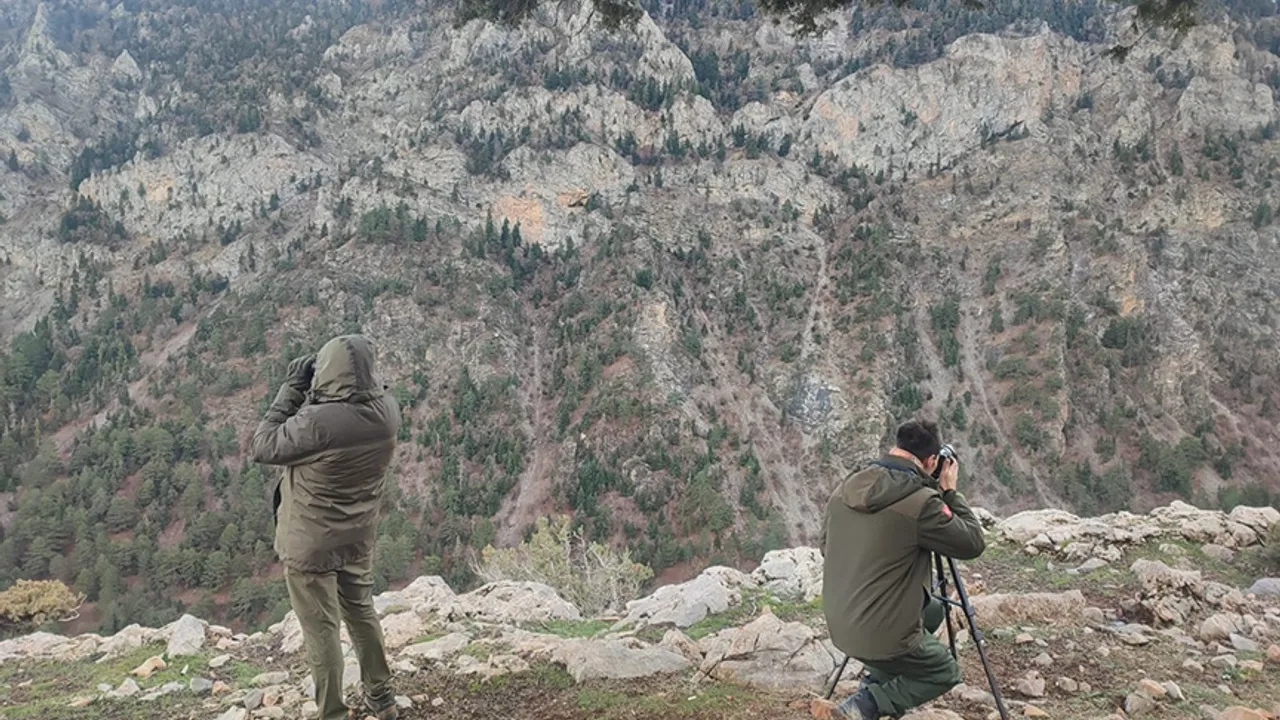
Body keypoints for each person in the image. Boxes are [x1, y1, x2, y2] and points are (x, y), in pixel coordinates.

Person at [251, 335, 401, 720]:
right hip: (357, 535)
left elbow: (263, 445)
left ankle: (332, 712)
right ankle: (382, 697)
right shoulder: (388, 411)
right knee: (361, 613)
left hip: (311, 543)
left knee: (322, 631)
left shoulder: (318, 422)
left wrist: (293, 388)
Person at [820, 420, 987, 719]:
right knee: (944, 671)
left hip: (839, 620)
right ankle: (863, 706)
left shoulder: (845, 488)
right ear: (931, 461)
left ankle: (875, 679)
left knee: (933, 610)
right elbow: (973, 543)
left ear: (896, 448)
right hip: (879, 632)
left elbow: (825, 547)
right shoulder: (922, 504)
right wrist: (949, 493)